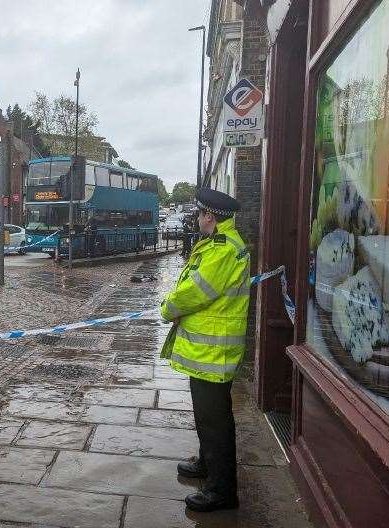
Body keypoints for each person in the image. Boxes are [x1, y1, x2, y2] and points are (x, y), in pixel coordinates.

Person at [159, 188, 250, 513]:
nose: (197, 218)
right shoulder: (220, 243)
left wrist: (168, 307)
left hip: (213, 349)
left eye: (199, 213)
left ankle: (221, 491)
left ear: (209, 216)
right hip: (211, 348)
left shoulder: (222, 250)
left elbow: (196, 291)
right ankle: (207, 465)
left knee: (215, 421)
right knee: (207, 416)